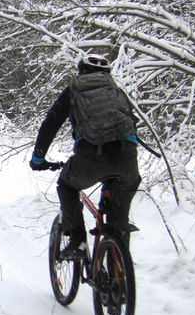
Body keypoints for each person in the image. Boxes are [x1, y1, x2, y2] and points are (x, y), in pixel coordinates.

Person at [29, 53, 141, 259]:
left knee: (67, 185)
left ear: (81, 71)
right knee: (118, 220)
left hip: (91, 156)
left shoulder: (74, 90)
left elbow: (50, 125)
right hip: (127, 158)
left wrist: (38, 159)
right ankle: (120, 270)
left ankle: (78, 240)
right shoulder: (117, 92)